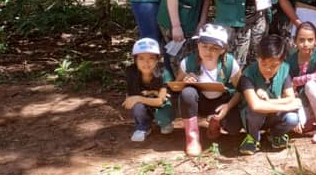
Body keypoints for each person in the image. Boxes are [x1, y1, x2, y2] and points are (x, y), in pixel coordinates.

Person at [174, 24, 242, 156]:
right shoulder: (188, 62)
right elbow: (176, 86)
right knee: (187, 93)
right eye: (204, 46)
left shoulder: (230, 63)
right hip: (200, 102)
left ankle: (215, 122)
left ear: (222, 50)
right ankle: (192, 138)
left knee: (234, 127)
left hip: (221, 103)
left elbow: (241, 89)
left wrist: (228, 107)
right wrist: (185, 81)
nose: (208, 51)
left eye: (215, 48)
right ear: (198, 45)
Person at [238, 34, 303, 154]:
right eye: (264, 64)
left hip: (273, 115)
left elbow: (290, 97)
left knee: (293, 118)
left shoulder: (284, 70)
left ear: (282, 62)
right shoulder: (248, 74)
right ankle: (253, 137)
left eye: (274, 66)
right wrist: (286, 106)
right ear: (258, 58)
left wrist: (269, 102)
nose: (268, 69)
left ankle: (275, 135)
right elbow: (255, 106)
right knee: (255, 112)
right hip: (253, 118)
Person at [122, 37, 173, 142]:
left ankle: (165, 122)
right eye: (141, 58)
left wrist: (137, 98)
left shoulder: (164, 72)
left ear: (157, 59)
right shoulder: (131, 72)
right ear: (135, 60)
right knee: (137, 107)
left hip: (161, 105)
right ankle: (143, 127)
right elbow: (129, 101)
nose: (146, 62)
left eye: (151, 58)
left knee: (163, 115)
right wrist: (134, 99)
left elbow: (160, 101)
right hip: (145, 103)